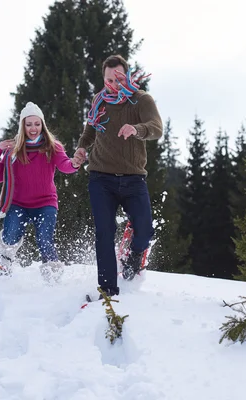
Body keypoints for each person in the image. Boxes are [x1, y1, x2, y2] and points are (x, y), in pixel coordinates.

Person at [73, 54, 163, 298]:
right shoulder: (99, 100)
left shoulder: (141, 100)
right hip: (101, 177)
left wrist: (137, 129)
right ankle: (108, 290)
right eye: (109, 80)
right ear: (104, 79)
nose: (114, 84)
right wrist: (82, 148)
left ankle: (134, 254)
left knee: (145, 230)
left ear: (128, 75)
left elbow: (156, 128)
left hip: (133, 178)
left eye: (119, 78)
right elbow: (90, 129)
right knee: (104, 230)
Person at [0, 101, 79, 281]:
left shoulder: (53, 147)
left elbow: (65, 165)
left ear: (42, 124)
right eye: (29, 124)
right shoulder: (13, 150)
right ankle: (3, 263)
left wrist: (74, 164)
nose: (33, 128)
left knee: (45, 239)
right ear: (23, 126)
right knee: (11, 235)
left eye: (37, 124)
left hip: (45, 203)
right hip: (18, 203)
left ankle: (52, 272)